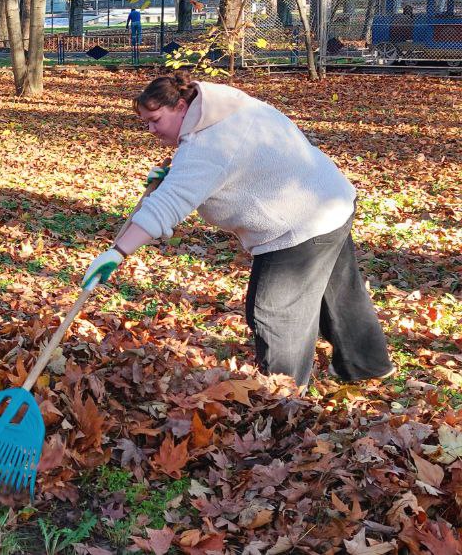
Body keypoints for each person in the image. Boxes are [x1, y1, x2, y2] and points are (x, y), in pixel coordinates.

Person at [81, 71, 393, 389]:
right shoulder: (220, 105)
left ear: (179, 106)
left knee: (273, 313)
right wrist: (173, 174)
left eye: (155, 120)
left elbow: (168, 206)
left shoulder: (208, 147)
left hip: (300, 224)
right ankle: (367, 365)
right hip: (331, 199)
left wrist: (117, 253)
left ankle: (283, 401)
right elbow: (227, 161)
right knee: (339, 292)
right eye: (145, 122)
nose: (150, 129)